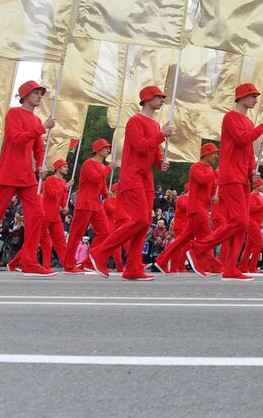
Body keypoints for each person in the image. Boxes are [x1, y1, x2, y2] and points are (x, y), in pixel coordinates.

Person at [0, 81, 55, 278]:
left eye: (41, 93)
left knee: (37, 215)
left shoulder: (36, 120)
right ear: (24, 95)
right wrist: (42, 127)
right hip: (8, 173)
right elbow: (17, 139)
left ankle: (29, 262)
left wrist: (40, 164)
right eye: (36, 93)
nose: (39, 96)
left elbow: (38, 148)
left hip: (26, 177)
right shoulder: (14, 114)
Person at [88, 85, 171, 279]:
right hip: (132, 175)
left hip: (146, 178)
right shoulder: (135, 121)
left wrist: (161, 163)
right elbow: (141, 146)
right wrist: (161, 135)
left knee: (144, 223)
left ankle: (133, 268)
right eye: (159, 97)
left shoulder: (155, 124)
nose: (161, 100)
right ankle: (100, 252)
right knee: (140, 220)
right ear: (148, 98)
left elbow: (154, 151)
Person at [191, 83, 263, 280]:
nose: (255, 99)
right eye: (252, 96)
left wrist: (252, 172)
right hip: (231, 175)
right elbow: (243, 139)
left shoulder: (249, 121)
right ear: (241, 97)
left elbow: (249, 150)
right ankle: (199, 248)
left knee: (240, 225)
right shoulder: (230, 117)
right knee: (240, 221)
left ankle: (230, 268)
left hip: (243, 176)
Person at [156, 143, 219, 274]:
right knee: (207, 237)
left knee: (183, 239)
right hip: (196, 208)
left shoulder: (211, 170)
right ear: (206, 153)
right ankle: (212, 266)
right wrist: (216, 173)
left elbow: (211, 189)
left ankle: (162, 260)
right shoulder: (196, 167)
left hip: (202, 208)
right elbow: (202, 180)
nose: (216, 156)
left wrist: (213, 197)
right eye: (214, 153)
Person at [63, 139, 115, 273]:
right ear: (97, 150)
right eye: (105, 148)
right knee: (76, 235)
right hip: (84, 203)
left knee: (105, 233)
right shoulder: (88, 164)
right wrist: (109, 168)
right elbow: (95, 178)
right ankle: (69, 265)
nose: (108, 150)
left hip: (96, 204)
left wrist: (106, 192)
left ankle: (89, 262)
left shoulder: (103, 166)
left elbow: (101, 183)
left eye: (108, 148)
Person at [37, 159, 70, 270]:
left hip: (55, 215)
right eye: (65, 166)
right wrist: (65, 188)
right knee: (36, 240)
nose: (67, 168)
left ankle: (68, 265)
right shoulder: (50, 180)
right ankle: (16, 262)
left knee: (60, 241)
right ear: (58, 168)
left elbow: (61, 198)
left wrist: (65, 206)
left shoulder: (64, 182)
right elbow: (53, 194)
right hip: (45, 214)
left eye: (67, 166)